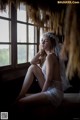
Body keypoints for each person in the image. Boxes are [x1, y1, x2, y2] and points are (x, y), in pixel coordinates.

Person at [16, 31, 63, 108]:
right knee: (32, 67)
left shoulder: (51, 57)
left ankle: (19, 98)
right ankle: (20, 95)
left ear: (52, 43)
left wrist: (41, 93)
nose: (43, 42)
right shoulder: (46, 56)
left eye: (46, 41)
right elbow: (32, 62)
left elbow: (49, 79)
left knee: (21, 102)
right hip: (49, 87)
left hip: (55, 92)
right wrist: (40, 51)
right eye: (42, 40)